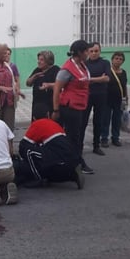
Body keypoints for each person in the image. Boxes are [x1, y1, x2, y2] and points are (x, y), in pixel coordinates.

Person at [16, 103, 84, 189]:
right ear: (48, 114)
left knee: (28, 151)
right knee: (49, 165)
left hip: (57, 157)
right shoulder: (55, 124)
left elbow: (23, 146)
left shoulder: (37, 124)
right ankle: (73, 175)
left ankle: (37, 178)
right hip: (70, 157)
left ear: (33, 118)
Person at [51, 40, 93, 175]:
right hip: (70, 107)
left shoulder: (81, 65)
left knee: (78, 135)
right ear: (80, 52)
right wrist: (56, 109)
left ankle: (75, 161)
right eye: (86, 51)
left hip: (81, 105)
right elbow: (57, 89)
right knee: (73, 137)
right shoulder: (67, 69)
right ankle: (76, 163)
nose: (88, 53)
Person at [82, 42, 110, 156]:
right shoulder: (84, 64)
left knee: (98, 122)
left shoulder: (105, 63)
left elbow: (107, 78)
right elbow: (82, 79)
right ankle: (79, 145)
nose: (94, 53)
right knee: (83, 121)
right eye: (91, 51)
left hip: (101, 96)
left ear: (100, 51)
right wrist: (99, 78)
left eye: (96, 51)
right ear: (88, 52)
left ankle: (96, 146)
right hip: (86, 96)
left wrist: (90, 79)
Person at [101, 52, 128, 147]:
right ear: (112, 60)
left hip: (119, 100)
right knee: (105, 120)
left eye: (121, 59)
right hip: (107, 99)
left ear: (123, 61)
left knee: (117, 120)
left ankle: (115, 138)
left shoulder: (123, 72)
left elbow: (124, 86)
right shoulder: (107, 71)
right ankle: (104, 138)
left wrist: (126, 99)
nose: (118, 60)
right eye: (116, 58)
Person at [26, 50, 60, 119]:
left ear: (49, 61)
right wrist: (34, 76)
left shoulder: (55, 70)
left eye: (41, 60)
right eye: (38, 59)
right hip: (37, 104)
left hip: (50, 104)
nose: (38, 61)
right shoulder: (37, 70)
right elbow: (28, 83)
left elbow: (60, 85)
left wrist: (49, 85)